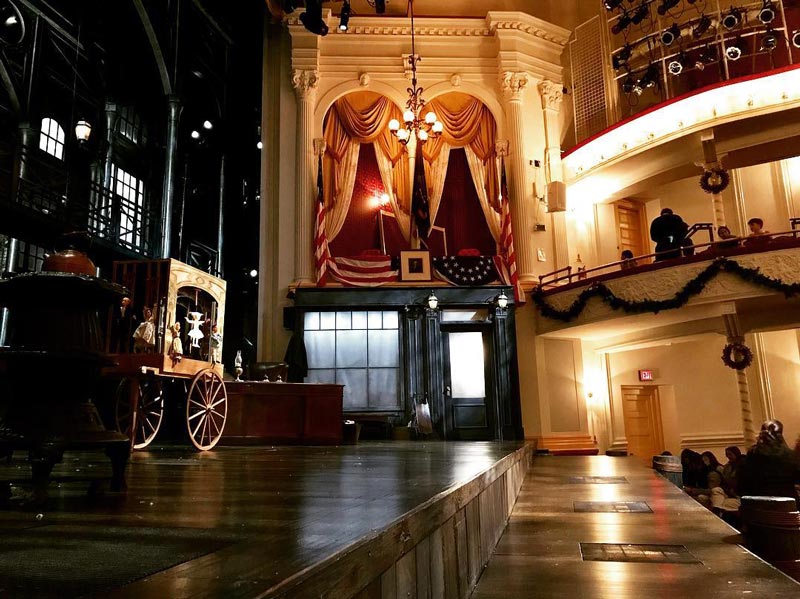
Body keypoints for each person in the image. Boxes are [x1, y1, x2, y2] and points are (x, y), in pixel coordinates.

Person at [738, 420, 800, 505]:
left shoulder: (754, 453)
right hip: (788, 503)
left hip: (758, 503)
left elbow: (743, 481)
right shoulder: (791, 455)